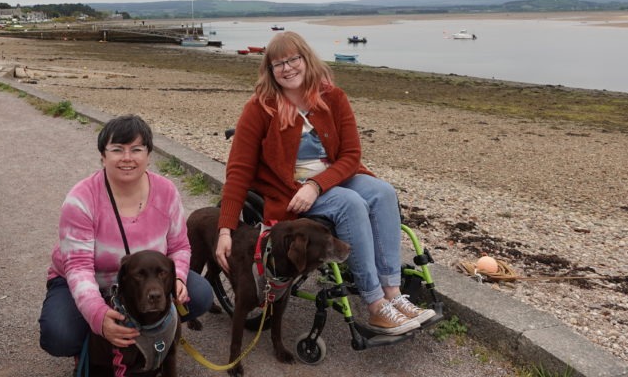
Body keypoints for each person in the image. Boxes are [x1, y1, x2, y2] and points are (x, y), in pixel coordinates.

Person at [215, 31, 436, 336]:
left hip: (329, 180)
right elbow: (238, 171)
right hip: (289, 191)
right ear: (269, 70)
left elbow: (351, 154)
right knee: (350, 203)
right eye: (278, 63)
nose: (287, 67)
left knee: (383, 192)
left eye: (293, 59)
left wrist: (316, 185)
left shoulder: (332, 97)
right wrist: (225, 229)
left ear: (306, 59)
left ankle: (393, 294)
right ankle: (375, 305)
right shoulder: (260, 107)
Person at [39, 114, 212, 357]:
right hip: (90, 280)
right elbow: (78, 267)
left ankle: (147, 333)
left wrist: (179, 278)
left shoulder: (166, 192)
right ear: (103, 156)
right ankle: (95, 344)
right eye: (117, 149)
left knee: (200, 294)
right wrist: (97, 316)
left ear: (149, 156)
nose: (127, 158)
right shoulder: (81, 199)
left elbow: (180, 246)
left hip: (143, 280)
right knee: (59, 336)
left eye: (137, 149)